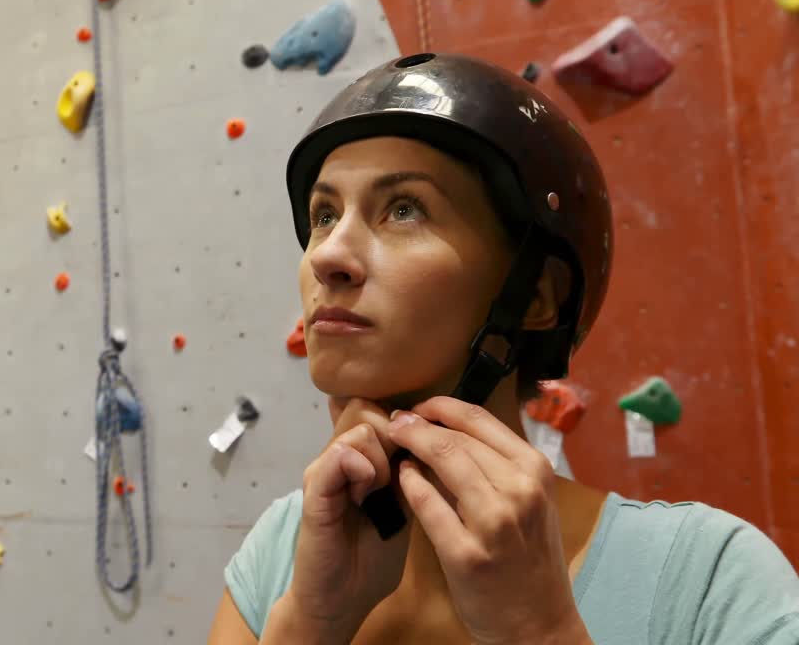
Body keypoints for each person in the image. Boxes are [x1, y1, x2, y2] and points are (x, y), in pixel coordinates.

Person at [206, 53, 799, 644]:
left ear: (536, 293)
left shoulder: (706, 581)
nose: (327, 255)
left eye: (403, 209)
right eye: (324, 214)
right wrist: (313, 623)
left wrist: (539, 632)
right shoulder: (281, 554)